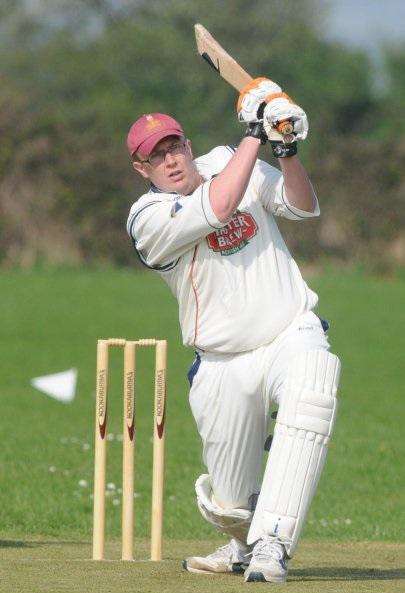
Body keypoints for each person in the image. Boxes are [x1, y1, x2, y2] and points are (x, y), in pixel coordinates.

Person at [126, 78, 341, 584]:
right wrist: (254, 132)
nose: (172, 161)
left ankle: (273, 546)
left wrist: (285, 149)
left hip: (289, 329)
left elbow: (303, 206)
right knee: (230, 505)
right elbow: (218, 208)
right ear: (143, 170)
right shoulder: (147, 217)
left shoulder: (226, 158)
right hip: (222, 360)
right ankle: (242, 543)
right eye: (157, 157)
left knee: (314, 386)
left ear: (188, 144)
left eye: (175, 146)